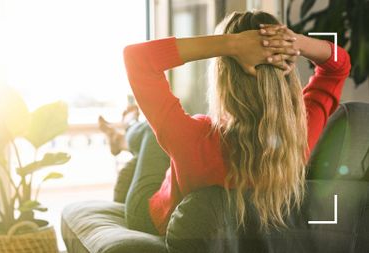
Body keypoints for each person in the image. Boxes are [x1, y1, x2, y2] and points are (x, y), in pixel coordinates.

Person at [114, 11, 351, 236]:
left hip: (151, 217)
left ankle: (125, 133)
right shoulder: (299, 138)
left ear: (223, 74)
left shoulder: (191, 137)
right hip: (181, 163)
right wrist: (294, 42)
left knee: (149, 132)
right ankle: (126, 133)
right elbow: (339, 66)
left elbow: (137, 57)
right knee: (162, 133)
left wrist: (232, 44)